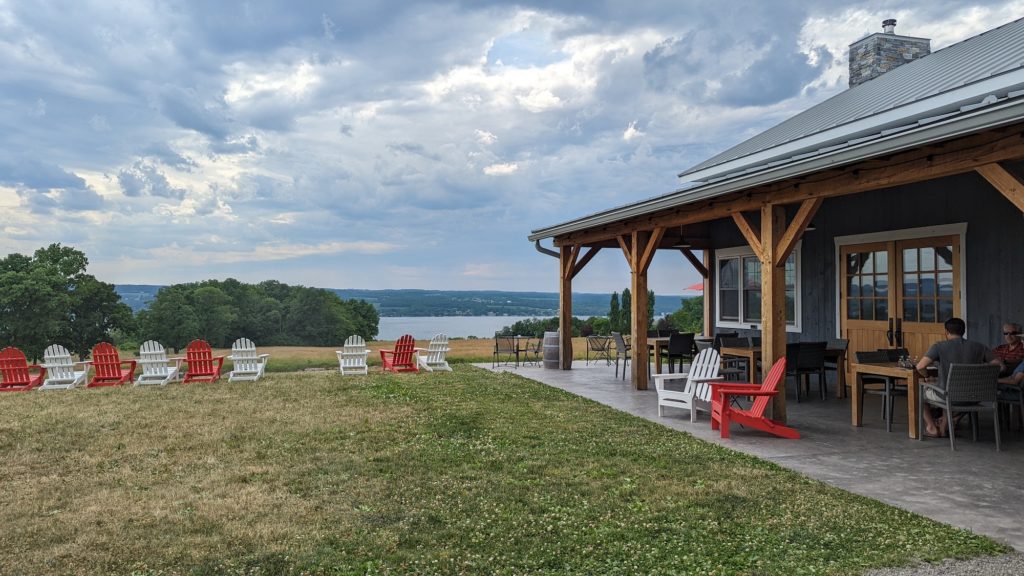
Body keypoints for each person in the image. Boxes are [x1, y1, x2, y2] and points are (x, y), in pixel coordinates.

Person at [914, 317, 999, 438]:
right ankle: (943, 428)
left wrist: (927, 377)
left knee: (918, 392)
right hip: (976, 396)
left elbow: (920, 366)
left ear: (947, 332)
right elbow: (1000, 366)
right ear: (963, 331)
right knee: (948, 388)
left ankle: (931, 427)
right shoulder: (979, 347)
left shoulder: (939, 346)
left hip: (949, 395)